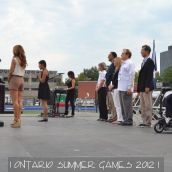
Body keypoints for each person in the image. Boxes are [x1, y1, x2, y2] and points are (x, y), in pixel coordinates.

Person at [8, 45, 27, 128]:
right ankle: (19, 119)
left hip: (15, 79)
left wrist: (9, 80)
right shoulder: (24, 61)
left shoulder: (14, 60)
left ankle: (16, 120)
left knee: (15, 101)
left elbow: (11, 71)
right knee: (19, 101)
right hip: (22, 80)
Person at [137, 45, 155, 127]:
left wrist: (147, 86)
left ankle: (148, 122)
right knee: (143, 106)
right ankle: (144, 121)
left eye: (142, 50)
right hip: (142, 87)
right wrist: (139, 88)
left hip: (147, 87)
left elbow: (149, 75)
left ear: (147, 51)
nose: (141, 52)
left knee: (148, 105)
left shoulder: (150, 61)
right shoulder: (143, 61)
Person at [118, 49, 135, 126]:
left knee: (127, 104)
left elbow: (131, 75)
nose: (121, 55)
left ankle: (129, 120)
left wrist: (129, 87)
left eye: (122, 53)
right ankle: (125, 119)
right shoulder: (123, 63)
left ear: (127, 55)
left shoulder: (130, 63)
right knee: (122, 105)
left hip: (126, 87)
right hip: (121, 87)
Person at [109, 57, 123, 124]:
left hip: (117, 88)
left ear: (117, 62)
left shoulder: (119, 69)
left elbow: (117, 80)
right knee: (116, 104)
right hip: (115, 88)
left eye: (114, 61)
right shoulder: (116, 69)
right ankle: (119, 118)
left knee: (118, 104)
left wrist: (113, 85)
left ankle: (120, 119)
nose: (113, 62)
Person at [106, 52, 117, 122]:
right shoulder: (111, 65)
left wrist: (112, 84)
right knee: (111, 103)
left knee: (114, 103)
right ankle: (113, 116)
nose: (108, 57)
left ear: (113, 56)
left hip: (112, 86)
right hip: (109, 86)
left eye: (109, 56)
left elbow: (114, 75)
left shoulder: (115, 64)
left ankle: (115, 117)